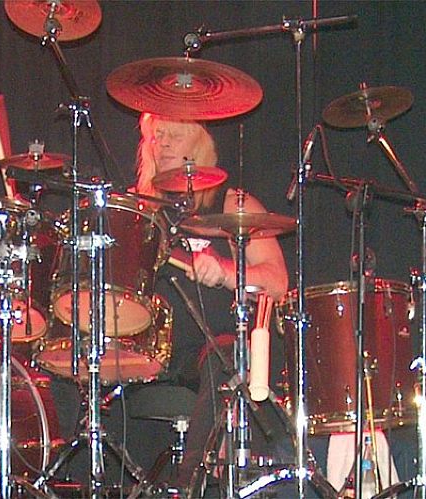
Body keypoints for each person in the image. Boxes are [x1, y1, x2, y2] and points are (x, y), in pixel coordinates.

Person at [134, 112, 289, 494]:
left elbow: (278, 281)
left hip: (214, 348)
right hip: (152, 350)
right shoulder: (137, 210)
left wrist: (225, 272)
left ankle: (193, 485)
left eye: (174, 135)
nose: (162, 143)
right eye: (156, 136)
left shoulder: (232, 203)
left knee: (229, 359)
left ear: (200, 142)